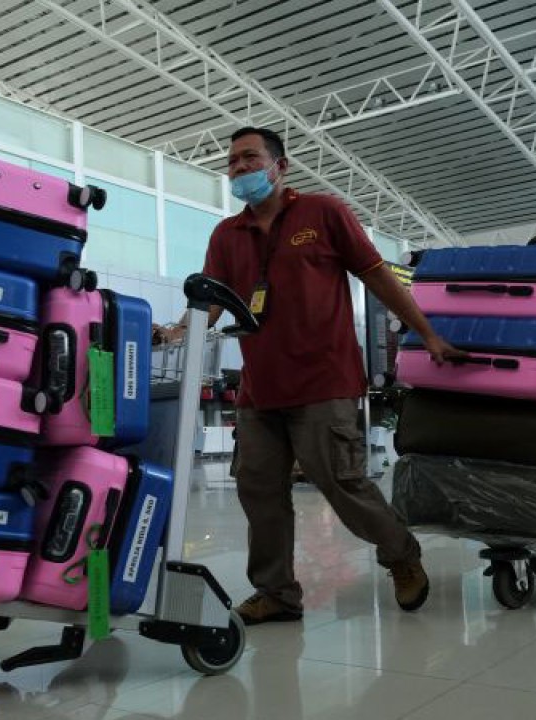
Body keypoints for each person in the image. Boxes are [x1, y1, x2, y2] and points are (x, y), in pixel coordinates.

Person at [153, 127, 464, 625]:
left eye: (250, 158)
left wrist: (425, 333)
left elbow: (376, 273)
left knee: (342, 484)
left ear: (281, 166)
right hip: (260, 388)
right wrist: (173, 332)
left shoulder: (323, 213)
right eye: (232, 162)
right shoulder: (226, 235)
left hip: (325, 380)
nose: (239, 168)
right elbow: (212, 301)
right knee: (259, 492)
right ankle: (276, 592)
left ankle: (400, 552)